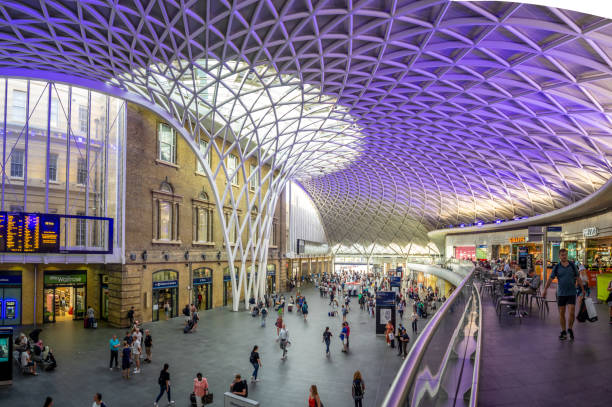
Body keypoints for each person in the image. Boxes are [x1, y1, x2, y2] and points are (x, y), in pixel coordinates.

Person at [543, 248, 585, 341]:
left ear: (567, 255)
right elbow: (550, 279)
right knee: (561, 313)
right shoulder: (557, 267)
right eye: (562, 255)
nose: (564, 256)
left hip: (571, 292)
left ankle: (570, 328)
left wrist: (583, 289)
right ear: (559, 256)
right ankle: (563, 331)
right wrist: (545, 290)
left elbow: (578, 277)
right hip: (561, 293)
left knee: (571, 312)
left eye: (565, 254)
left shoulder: (572, 265)